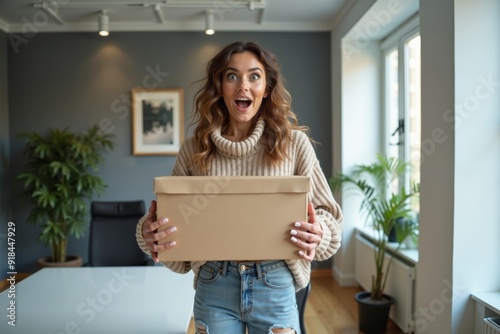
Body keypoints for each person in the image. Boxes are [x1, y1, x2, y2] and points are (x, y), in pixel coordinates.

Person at [136, 41, 343, 334]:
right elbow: (175, 243)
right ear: (220, 86)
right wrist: (150, 234)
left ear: (267, 88)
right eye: (232, 76)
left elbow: (329, 218)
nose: (242, 85)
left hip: (276, 282)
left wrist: (319, 232)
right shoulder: (194, 149)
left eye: (254, 76)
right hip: (213, 283)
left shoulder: (295, 145)